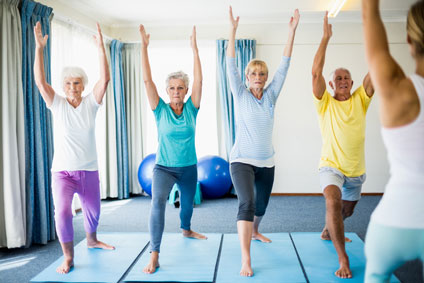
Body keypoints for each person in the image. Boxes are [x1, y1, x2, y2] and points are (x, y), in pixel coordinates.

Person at [33, 22, 114, 274]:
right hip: (63, 172)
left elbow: (106, 79)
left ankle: (91, 239)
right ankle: (68, 256)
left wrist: (101, 48)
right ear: (63, 86)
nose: (72, 88)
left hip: (89, 170)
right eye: (67, 83)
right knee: (63, 213)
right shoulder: (57, 104)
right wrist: (39, 49)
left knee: (93, 213)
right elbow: (39, 81)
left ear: (83, 85)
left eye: (77, 83)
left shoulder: (91, 103)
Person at [227, 6, 299, 277]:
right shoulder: (240, 94)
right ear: (247, 78)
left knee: (262, 206)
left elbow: (285, 64)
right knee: (246, 203)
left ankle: (256, 230)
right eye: (253, 74)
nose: (258, 77)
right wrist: (233, 31)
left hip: (267, 161)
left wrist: (291, 32)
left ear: (266, 78)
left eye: (262, 74)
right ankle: (246, 259)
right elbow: (230, 64)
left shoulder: (271, 96)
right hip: (241, 160)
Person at [362, 0, 424, 281]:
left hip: (393, 220)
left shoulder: (398, 89)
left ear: (410, 40)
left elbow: (368, 14)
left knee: (375, 275)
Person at [311, 11, 375, 279]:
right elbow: (315, 71)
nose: (344, 81)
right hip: (332, 166)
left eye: (347, 77)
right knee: (333, 202)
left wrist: (373, 31)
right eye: (338, 78)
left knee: (347, 209)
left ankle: (329, 231)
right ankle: (343, 259)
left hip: (356, 170)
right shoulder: (324, 103)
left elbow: (377, 68)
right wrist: (325, 38)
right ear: (331, 84)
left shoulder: (361, 99)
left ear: (352, 82)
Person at [139, 24, 206, 274]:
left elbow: (200, 79)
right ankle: (154, 254)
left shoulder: (192, 108)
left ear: (186, 91)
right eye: (172, 88)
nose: (176, 92)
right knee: (157, 202)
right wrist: (144, 48)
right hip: (164, 168)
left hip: (188, 168)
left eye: (180, 88)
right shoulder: (160, 110)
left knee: (187, 205)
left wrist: (195, 50)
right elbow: (147, 80)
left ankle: (186, 229)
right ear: (167, 91)